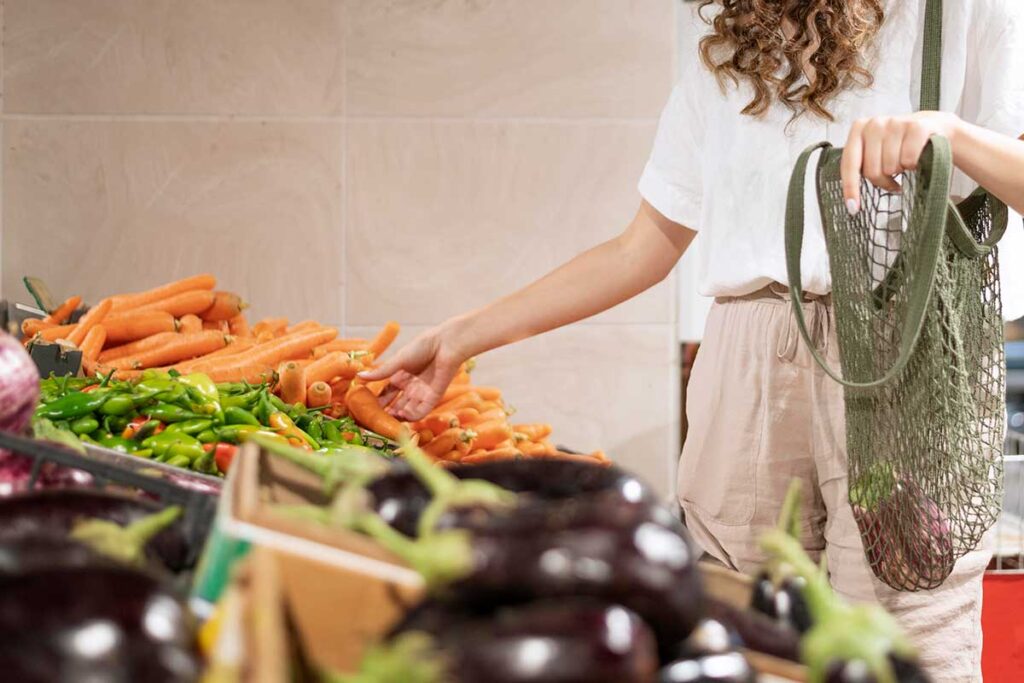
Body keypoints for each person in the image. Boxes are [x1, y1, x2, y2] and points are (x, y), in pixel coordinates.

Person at [361, 2, 1024, 678]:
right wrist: (461, 336)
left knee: (902, 645)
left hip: (904, 359)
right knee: (731, 638)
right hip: (746, 359)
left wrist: (949, 134)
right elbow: (640, 248)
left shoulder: (970, 11)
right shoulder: (730, 39)